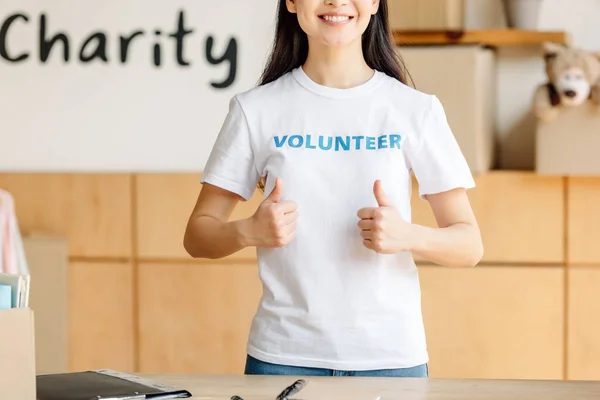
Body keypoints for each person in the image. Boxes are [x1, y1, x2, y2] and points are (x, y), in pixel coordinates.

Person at [183, 0, 483, 378]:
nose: (337, 1)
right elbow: (198, 235)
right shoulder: (254, 110)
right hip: (282, 357)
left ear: (374, 2)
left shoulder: (415, 110)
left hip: (390, 361)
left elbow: (469, 245)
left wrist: (408, 235)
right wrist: (247, 231)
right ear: (292, 2)